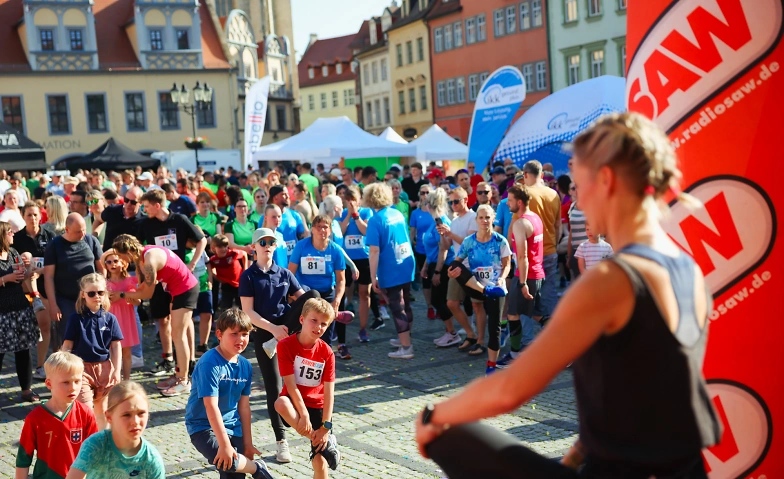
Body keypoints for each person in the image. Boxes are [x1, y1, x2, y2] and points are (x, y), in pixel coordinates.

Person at [416, 112, 721, 479]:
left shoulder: (611, 281)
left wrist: (433, 416)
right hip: (685, 470)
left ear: (606, 180)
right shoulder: (688, 268)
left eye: (577, 186)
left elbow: (509, 390)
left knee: (448, 435)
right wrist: (576, 455)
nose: (576, 200)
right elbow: (639, 394)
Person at [239, 227, 318, 464]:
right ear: (254, 247)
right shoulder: (248, 276)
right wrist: (273, 330)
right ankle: (281, 441)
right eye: (262, 242)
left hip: (286, 329)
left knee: (313, 294)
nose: (267, 246)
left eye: (271, 242)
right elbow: (248, 312)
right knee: (274, 387)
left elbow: (305, 301)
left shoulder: (284, 273)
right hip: (265, 334)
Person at [185, 308, 274, 479]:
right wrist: (225, 445)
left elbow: (244, 407)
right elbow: (211, 406)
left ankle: (253, 466)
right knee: (230, 462)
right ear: (219, 334)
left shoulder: (245, 365)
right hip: (203, 427)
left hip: (233, 427)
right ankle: (257, 469)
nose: (240, 339)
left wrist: (248, 444)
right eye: (234, 334)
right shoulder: (209, 363)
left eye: (245, 334)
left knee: (234, 474)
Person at [109, 234, 200, 397]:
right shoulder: (144, 255)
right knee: (176, 334)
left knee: (178, 335)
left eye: (121, 256)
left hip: (185, 290)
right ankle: (179, 374)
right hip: (177, 290)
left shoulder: (149, 261)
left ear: (128, 252)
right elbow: (144, 286)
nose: (122, 260)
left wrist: (122, 295)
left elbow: (147, 294)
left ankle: (184, 381)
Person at [137, 189, 206, 379]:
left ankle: (190, 360)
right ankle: (168, 358)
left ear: (157, 205)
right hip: (158, 279)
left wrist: (192, 264)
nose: (144, 210)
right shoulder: (146, 223)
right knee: (162, 318)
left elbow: (201, 240)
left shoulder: (179, 220)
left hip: (179, 278)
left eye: (146, 206)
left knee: (185, 320)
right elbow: (137, 247)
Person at [274, 298, 341, 476]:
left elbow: (329, 393)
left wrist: (325, 428)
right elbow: (290, 384)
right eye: (314, 320)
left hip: (317, 406)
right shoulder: (285, 345)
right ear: (302, 319)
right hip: (294, 404)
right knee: (280, 403)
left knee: (320, 462)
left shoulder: (327, 352)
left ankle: (323, 441)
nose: (318, 327)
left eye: (324, 324)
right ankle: (322, 441)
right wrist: (303, 415)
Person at [446, 205, 510, 373]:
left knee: (494, 329)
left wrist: (502, 279)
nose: (484, 221)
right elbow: (457, 262)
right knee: (454, 265)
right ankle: (484, 291)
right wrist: (451, 272)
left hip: (495, 288)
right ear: (476, 220)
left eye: (487, 217)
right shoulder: (469, 241)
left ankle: (491, 366)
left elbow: (507, 265)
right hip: (477, 287)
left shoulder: (500, 241)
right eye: (481, 217)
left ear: (493, 219)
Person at [16, 352, 98, 479]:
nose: (73, 388)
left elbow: (95, 453)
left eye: (77, 381)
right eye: (66, 382)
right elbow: (23, 458)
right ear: (49, 384)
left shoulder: (86, 414)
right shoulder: (35, 418)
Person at [65, 381, 165, 479]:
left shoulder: (152, 459)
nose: (135, 421)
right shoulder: (96, 444)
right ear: (109, 417)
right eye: (126, 415)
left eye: (141, 413)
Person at [61, 273, 123, 430]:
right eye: (91, 293)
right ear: (83, 295)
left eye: (100, 292)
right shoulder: (75, 318)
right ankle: (86, 440)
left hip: (105, 369)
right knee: (86, 410)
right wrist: (63, 368)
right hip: (81, 369)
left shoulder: (110, 318)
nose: (97, 296)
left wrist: (116, 371)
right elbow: (67, 345)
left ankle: (101, 440)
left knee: (103, 411)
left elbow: (116, 346)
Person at [364, 183, 416, 359]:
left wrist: (373, 276)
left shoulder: (375, 220)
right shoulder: (397, 213)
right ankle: (405, 338)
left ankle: (406, 347)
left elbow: (374, 250)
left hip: (391, 267)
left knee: (396, 307)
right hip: (406, 262)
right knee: (405, 303)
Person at [496, 185, 545, 368]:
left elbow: (523, 256)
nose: (507, 203)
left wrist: (522, 283)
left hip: (526, 275)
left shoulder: (521, 223)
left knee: (513, 314)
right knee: (537, 314)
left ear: (519, 202)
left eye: (510, 200)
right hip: (536, 273)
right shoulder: (534, 218)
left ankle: (515, 354)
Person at [288, 215, 352, 350]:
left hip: (326, 292)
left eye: (325, 227)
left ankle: (326, 355)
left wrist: (337, 301)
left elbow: (341, 279)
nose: (322, 230)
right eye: (318, 227)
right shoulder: (301, 246)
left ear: (330, 231)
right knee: (305, 330)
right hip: (305, 293)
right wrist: (291, 294)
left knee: (325, 335)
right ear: (312, 229)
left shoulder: (335, 250)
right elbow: (290, 273)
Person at [45, 214, 105, 352]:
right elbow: (49, 277)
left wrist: (102, 292)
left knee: (92, 336)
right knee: (68, 339)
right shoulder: (54, 245)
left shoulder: (91, 240)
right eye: (78, 231)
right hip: (66, 300)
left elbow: (102, 269)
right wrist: (53, 305)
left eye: (84, 229)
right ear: (67, 229)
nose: (82, 234)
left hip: (90, 298)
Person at [0, 221, 40, 402]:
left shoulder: (13, 252)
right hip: (2, 312)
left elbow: (20, 278)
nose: (13, 234)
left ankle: (26, 390)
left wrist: (28, 272)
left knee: (24, 350)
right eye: (9, 232)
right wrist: (6, 278)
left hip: (20, 308)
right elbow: (10, 277)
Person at [14, 201, 54, 379]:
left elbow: (56, 261)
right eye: (29, 215)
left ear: (40, 216)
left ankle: (40, 365)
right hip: (24, 290)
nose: (33, 218)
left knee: (44, 326)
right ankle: (25, 368)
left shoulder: (49, 235)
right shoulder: (17, 238)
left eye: (35, 214)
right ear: (23, 217)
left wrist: (41, 270)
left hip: (45, 286)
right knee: (25, 330)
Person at [420, 189, 463, 349]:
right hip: (434, 263)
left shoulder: (441, 221)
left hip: (444, 265)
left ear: (430, 205)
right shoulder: (435, 221)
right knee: (439, 300)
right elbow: (431, 248)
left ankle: (453, 333)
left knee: (439, 300)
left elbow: (443, 249)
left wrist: (437, 272)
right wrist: (425, 266)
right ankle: (450, 331)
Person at [520, 160, 562, 320]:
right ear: (542, 175)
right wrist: (554, 245)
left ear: (525, 174)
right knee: (549, 290)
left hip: (530, 253)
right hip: (550, 249)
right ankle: (553, 326)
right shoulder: (553, 194)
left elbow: (518, 225)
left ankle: (528, 335)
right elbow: (558, 225)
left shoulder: (524, 193)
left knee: (526, 294)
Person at [441, 187, 477, 350]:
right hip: (458, 266)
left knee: (477, 305)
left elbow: (469, 243)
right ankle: (471, 334)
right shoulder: (454, 221)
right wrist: (443, 235)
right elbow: (447, 246)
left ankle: (479, 339)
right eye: (451, 202)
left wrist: (450, 234)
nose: (453, 205)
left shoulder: (473, 217)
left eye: (456, 201)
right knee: (452, 303)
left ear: (465, 200)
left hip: (473, 266)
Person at [103, 252, 141, 381]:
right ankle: (113, 379)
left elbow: (138, 301)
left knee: (126, 351)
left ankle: (127, 379)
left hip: (125, 318)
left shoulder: (130, 281)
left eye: (115, 261)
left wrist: (125, 295)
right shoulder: (104, 283)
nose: (112, 264)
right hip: (110, 318)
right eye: (109, 262)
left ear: (123, 263)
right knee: (110, 351)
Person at [409, 184, 434, 310]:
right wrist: (409, 247)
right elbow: (412, 232)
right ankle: (429, 306)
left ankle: (437, 304)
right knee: (426, 279)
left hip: (435, 250)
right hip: (421, 250)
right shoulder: (415, 213)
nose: (425, 195)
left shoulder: (435, 211)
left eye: (427, 192)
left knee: (435, 278)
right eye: (423, 193)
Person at [209, 234, 248, 311]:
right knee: (225, 307)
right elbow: (211, 268)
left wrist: (245, 269)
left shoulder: (233, 253)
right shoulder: (213, 260)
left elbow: (244, 254)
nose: (224, 249)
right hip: (226, 285)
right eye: (220, 247)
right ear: (213, 248)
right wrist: (215, 276)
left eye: (225, 246)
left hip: (239, 284)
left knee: (242, 306)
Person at [269, 185, 308, 260]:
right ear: (275, 198)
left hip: (293, 261)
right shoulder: (265, 218)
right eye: (284, 194)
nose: (288, 196)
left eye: (287, 193)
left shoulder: (295, 215)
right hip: (275, 260)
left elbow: (303, 237)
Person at [567, 183, 587, 279]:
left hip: (590, 253)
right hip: (576, 253)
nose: (576, 190)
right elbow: (572, 232)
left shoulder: (593, 205)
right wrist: (569, 255)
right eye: (573, 188)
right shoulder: (572, 206)